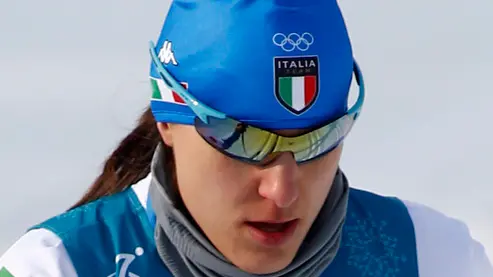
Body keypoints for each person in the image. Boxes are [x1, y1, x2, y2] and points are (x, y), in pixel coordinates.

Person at [1, 0, 492, 276]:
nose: (282, 191)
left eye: (317, 142)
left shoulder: (431, 258)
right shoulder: (56, 268)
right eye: (240, 141)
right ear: (168, 119)